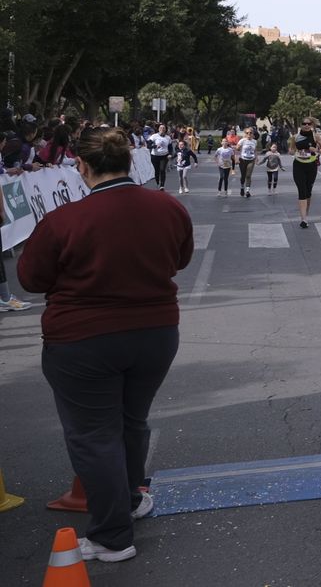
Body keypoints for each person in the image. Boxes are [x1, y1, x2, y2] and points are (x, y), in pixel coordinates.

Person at [19, 127, 192, 561]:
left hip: (83, 339)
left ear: (82, 166)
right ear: (129, 161)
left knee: (94, 435)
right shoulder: (168, 206)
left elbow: (31, 278)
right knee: (131, 421)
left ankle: (112, 536)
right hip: (155, 333)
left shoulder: (65, 219)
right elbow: (180, 258)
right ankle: (131, 501)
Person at [292, 118, 321, 229]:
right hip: (298, 165)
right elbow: (291, 150)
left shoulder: (315, 136)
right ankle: (303, 219)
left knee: (308, 191)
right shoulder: (295, 137)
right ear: (301, 125)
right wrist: (295, 151)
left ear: (311, 125)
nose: (306, 125)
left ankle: (305, 214)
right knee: (301, 190)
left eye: (309, 124)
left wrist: (315, 150)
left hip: (311, 165)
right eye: (304, 123)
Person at [147, 123, 171, 190]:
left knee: (162, 169)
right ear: (158, 129)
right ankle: (157, 183)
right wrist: (154, 146)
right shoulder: (154, 136)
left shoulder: (168, 138)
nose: (162, 129)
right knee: (156, 171)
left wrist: (170, 154)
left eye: (163, 128)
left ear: (165, 130)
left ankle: (162, 185)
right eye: (161, 128)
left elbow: (170, 147)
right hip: (155, 156)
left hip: (164, 156)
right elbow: (148, 145)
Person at [237, 126, 258, 198]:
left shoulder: (254, 141)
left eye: (250, 133)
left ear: (252, 133)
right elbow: (237, 149)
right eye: (247, 133)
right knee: (243, 176)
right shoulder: (242, 140)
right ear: (245, 133)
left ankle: (247, 191)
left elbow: (255, 150)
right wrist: (238, 147)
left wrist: (256, 158)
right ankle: (242, 187)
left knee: (248, 176)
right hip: (242, 160)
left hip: (251, 160)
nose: (249, 134)